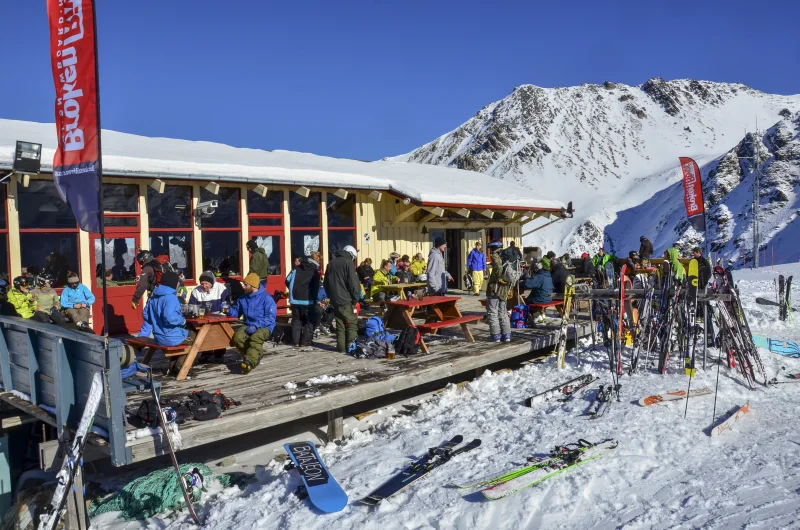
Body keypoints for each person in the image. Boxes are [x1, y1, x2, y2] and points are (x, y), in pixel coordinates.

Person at [229, 273, 277, 374]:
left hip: (265, 325)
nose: (243, 287)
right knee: (237, 338)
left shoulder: (266, 298)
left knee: (256, 337)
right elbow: (237, 312)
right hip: (248, 324)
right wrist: (228, 310)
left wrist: (256, 326)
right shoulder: (243, 298)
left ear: (253, 285)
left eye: (246, 285)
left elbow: (270, 318)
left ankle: (249, 363)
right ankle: (255, 356)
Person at [323, 245, 361, 354]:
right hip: (346, 299)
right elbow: (353, 283)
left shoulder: (331, 263)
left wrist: (331, 296)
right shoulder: (348, 263)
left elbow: (326, 283)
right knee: (352, 323)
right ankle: (352, 347)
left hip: (335, 299)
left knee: (340, 324)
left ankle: (341, 348)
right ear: (351, 254)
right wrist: (356, 297)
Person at [142, 270, 188, 347]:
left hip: (158, 338)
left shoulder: (153, 297)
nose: (179, 284)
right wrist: (183, 321)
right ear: (173, 283)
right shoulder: (171, 297)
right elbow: (170, 318)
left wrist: (157, 321)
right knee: (198, 336)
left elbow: (146, 315)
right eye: (177, 282)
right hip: (173, 338)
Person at [285, 256, 320, 347]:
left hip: (294, 299)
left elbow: (287, 280)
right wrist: (314, 299)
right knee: (309, 321)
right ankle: (305, 342)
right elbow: (315, 288)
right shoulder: (315, 272)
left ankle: (296, 342)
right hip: (308, 300)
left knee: (296, 320)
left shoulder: (295, 269)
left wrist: (293, 290)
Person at [485, 241, 512, 343]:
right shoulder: (506, 256)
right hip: (504, 288)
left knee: (493, 312)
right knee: (503, 312)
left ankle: (495, 335)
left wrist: (494, 278)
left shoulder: (495, 256)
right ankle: (507, 335)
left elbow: (498, 269)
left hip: (495, 288)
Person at [524, 258, 554, 323]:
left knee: (526, 301)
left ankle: (536, 316)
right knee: (532, 296)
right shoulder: (548, 275)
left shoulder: (539, 276)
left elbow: (528, 284)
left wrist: (525, 278)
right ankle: (541, 314)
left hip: (541, 299)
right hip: (548, 298)